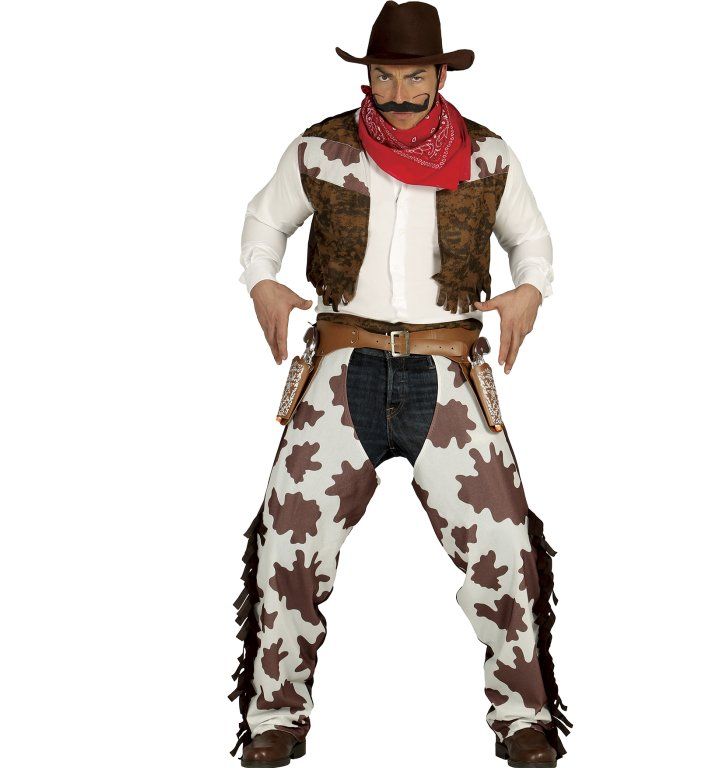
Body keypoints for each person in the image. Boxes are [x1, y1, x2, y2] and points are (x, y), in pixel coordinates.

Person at [228, 3, 572, 766]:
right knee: (287, 538)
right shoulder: (321, 149)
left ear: (441, 75)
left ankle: (524, 719)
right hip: (341, 368)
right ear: (369, 76)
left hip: (447, 373)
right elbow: (263, 222)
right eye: (384, 76)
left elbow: (532, 239)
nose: (398, 93)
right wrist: (263, 282)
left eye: (414, 76)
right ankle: (274, 719)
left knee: (506, 544)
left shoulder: (487, 156)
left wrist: (530, 289)